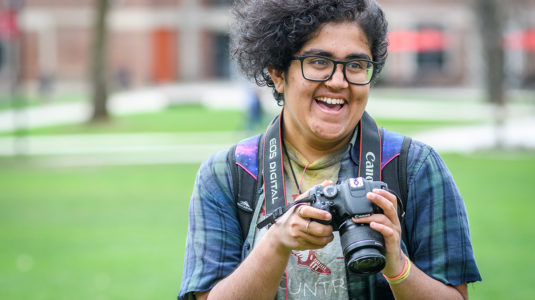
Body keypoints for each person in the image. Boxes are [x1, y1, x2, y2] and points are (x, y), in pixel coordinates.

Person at [178, 0, 481, 299]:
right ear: (278, 74)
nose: (338, 82)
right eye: (320, 62)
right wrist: (276, 243)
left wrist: (397, 266)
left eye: (356, 65)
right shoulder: (228, 174)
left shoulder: (413, 167)